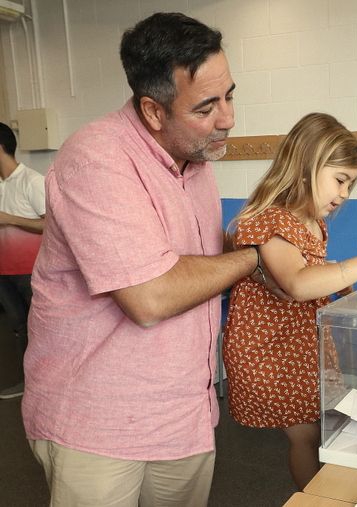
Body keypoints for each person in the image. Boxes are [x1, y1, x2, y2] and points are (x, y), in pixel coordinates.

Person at [22, 12, 262, 505]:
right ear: (153, 111)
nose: (228, 118)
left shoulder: (196, 161)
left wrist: (259, 242)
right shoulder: (97, 159)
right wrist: (255, 259)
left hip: (182, 415)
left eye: (230, 95)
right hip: (99, 428)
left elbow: (200, 253)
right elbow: (149, 296)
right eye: (206, 107)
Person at [224, 112, 357, 490]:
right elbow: (296, 281)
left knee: (318, 428)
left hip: (302, 345)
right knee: (305, 435)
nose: (343, 195)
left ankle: (320, 491)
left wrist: (348, 290)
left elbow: (315, 269)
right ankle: (314, 499)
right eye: (340, 180)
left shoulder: (314, 222)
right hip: (270, 350)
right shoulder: (268, 220)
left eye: (351, 185)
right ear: (307, 165)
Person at [0, 121, 44, 400]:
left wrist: (9, 219)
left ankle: (46, 385)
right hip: (3, 272)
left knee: (39, 328)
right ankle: (30, 383)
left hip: (31, 271)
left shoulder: (32, 180)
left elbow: (51, 225)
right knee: (18, 327)